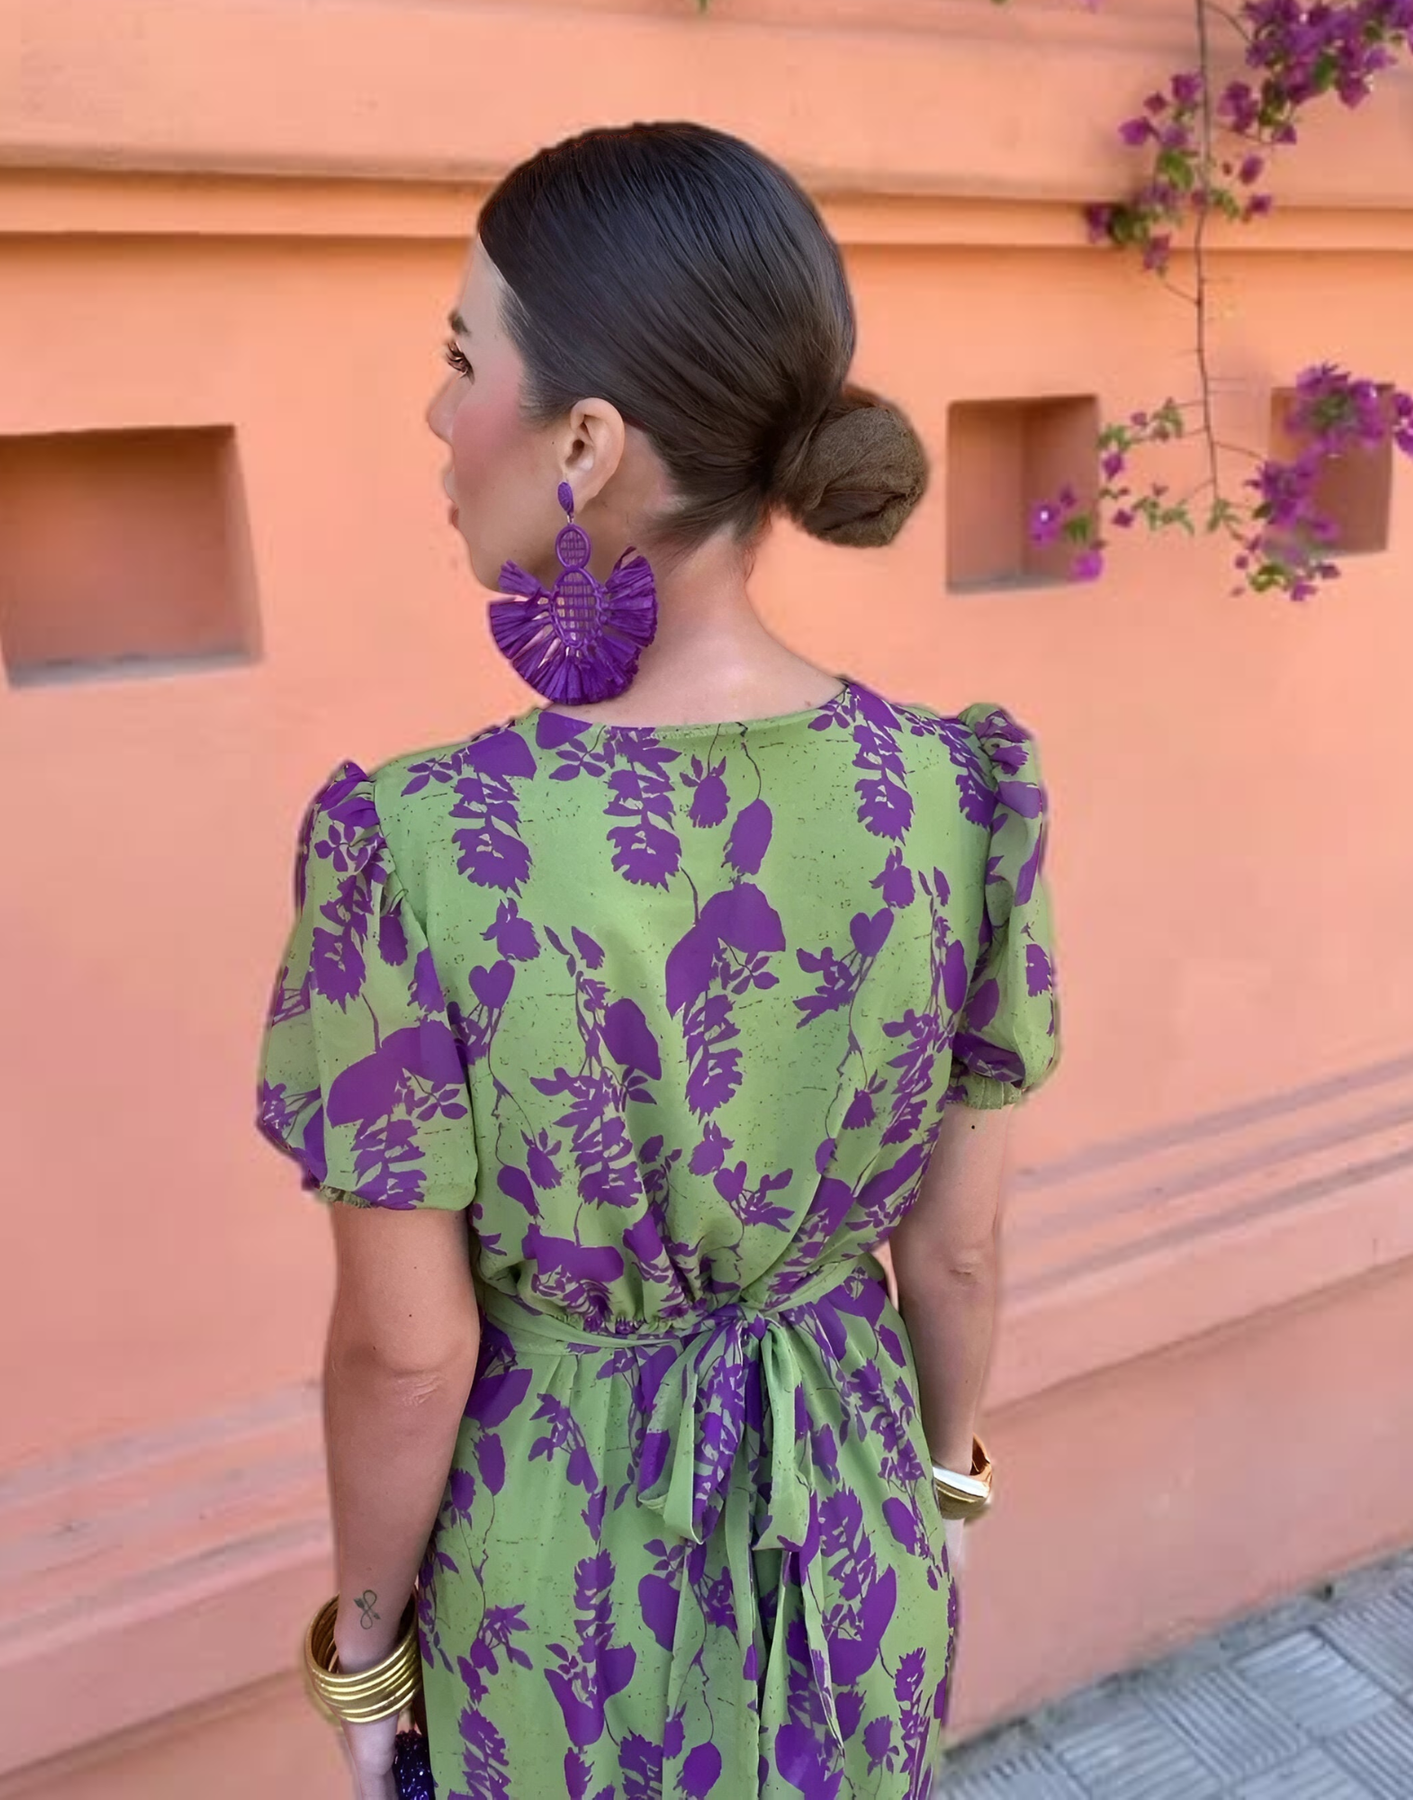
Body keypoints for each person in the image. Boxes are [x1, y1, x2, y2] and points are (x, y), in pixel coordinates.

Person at [256, 121, 1063, 1800]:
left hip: (556, 1585)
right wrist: (944, 1497)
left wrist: (366, 1655)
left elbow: (408, 1355)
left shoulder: (413, 848)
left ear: (585, 442)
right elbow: (960, 1252)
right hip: (851, 1514)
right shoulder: (961, 793)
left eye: (462, 359)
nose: (436, 414)